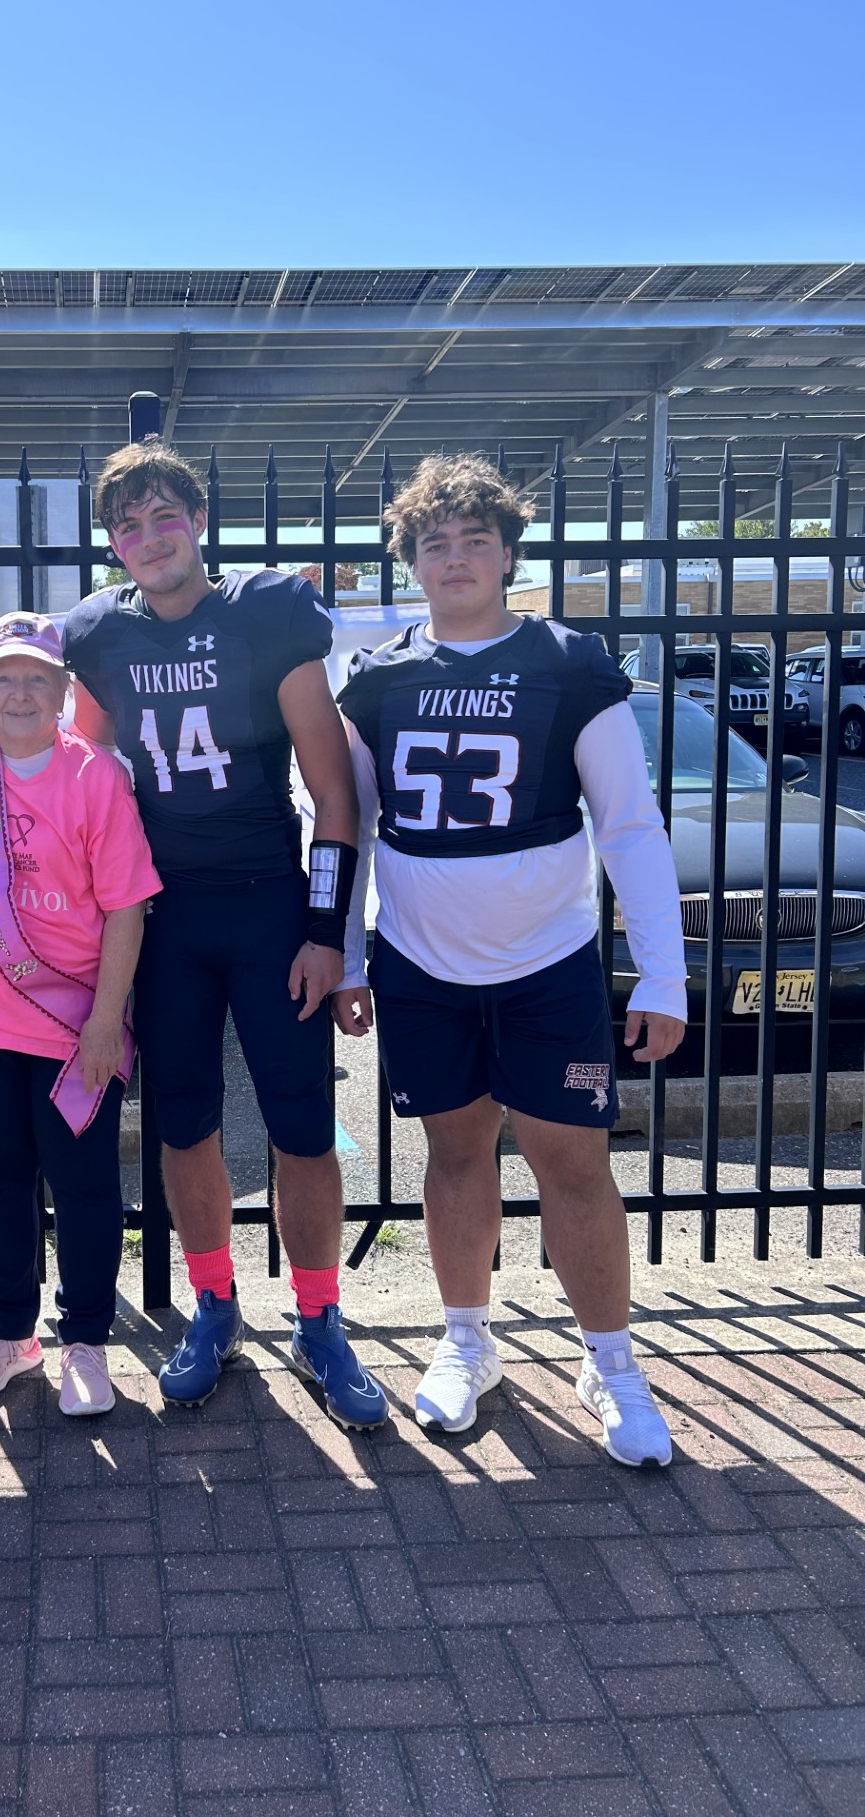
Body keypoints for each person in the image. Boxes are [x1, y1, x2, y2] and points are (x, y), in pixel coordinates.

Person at [332, 453, 687, 1468]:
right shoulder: (380, 678)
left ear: (507, 554)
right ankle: (466, 1342)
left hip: (548, 963)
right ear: (411, 561)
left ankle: (611, 1363)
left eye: (474, 540)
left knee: (574, 1163)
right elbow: (346, 829)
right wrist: (348, 957)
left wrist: (662, 972)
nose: (455, 558)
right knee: (454, 1156)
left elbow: (629, 825)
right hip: (421, 964)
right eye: (434, 542)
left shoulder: (570, 664)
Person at [61, 440, 387, 1430]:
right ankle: (214, 1305)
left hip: (267, 906)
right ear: (112, 544)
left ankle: (320, 1318)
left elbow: (334, 795)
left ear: (198, 521)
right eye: (128, 524)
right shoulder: (98, 633)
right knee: (184, 1123)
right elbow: (84, 778)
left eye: (165, 515)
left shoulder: (266, 612)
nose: (149, 537)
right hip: (164, 919)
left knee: (301, 1124)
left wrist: (328, 934)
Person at [0, 612, 161, 1416]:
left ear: (65, 691)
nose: (21, 692)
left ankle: (87, 1341)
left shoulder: (95, 775)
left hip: (75, 1028)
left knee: (85, 1185)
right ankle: (8, 1334)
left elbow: (127, 906)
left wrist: (106, 1022)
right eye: (4, 677)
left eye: (38, 677)